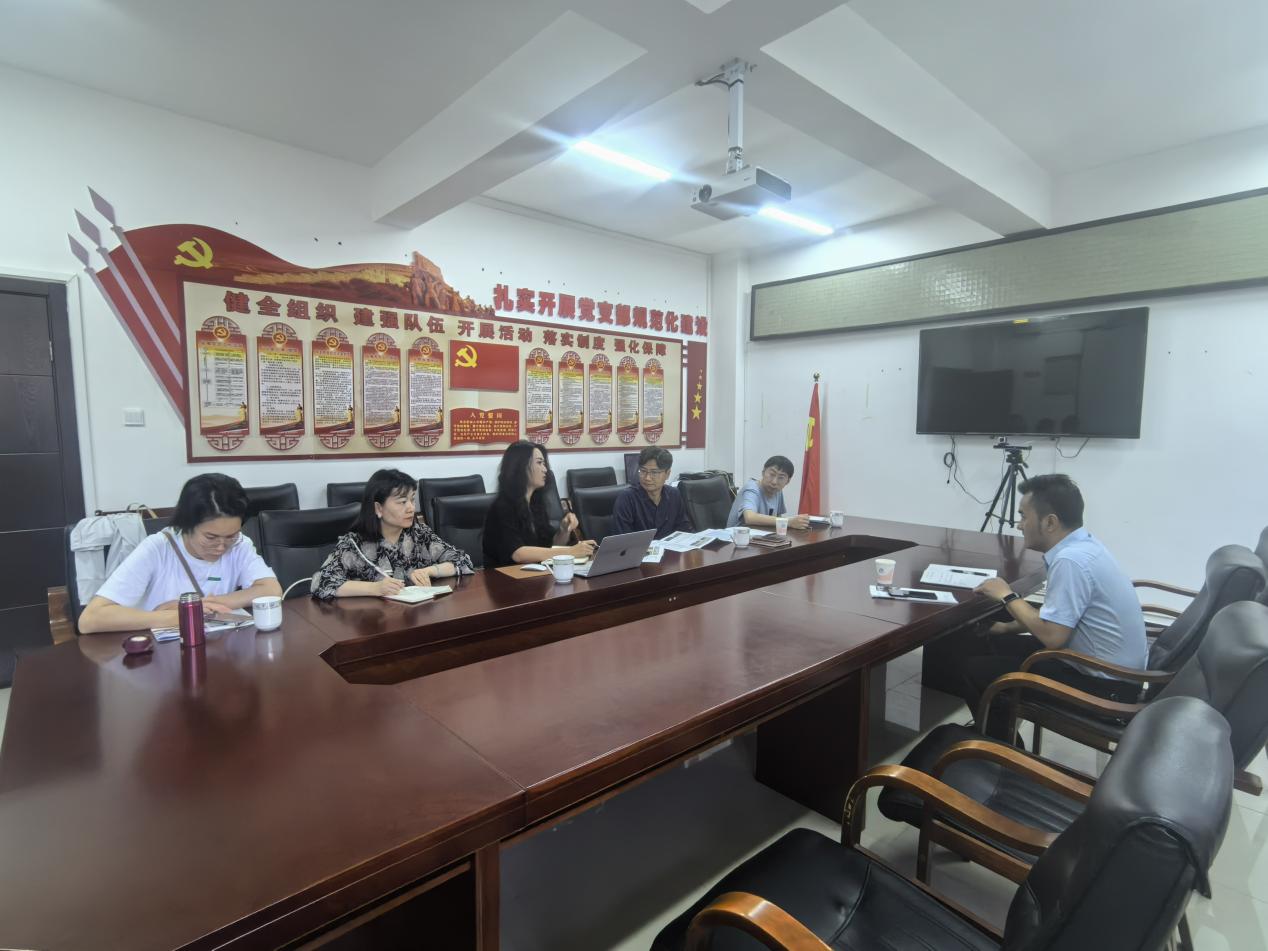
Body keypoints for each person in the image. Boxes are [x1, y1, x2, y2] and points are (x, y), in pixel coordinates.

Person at [959, 473, 1147, 741]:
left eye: (1023, 516)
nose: (1019, 525)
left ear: (1050, 522)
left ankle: (999, 747)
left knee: (977, 670)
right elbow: (1058, 617)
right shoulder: (1085, 545)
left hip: (1105, 687)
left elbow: (1053, 637)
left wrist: (1007, 595)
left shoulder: (1071, 561)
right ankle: (994, 730)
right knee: (992, 644)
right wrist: (1005, 628)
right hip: (1107, 672)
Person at [78, 474, 281, 633]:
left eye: (231, 536)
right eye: (210, 537)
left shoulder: (239, 545)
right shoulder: (157, 549)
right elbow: (90, 619)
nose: (221, 547)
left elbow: (272, 589)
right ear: (186, 525)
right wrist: (180, 615)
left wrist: (200, 606)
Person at [312, 468, 474, 599]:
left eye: (412, 500)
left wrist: (429, 571)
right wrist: (375, 588)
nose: (411, 508)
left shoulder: (419, 534)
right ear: (378, 508)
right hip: (373, 622)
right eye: (402, 502)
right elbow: (320, 583)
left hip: (416, 618)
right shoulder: (354, 544)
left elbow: (462, 561)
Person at [483, 440, 596, 568]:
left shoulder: (535, 505)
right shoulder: (501, 508)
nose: (545, 469)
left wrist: (563, 530)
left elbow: (550, 548)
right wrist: (570, 552)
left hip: (536, 574)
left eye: (544, 463)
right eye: (539, 463)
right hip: (505, 576)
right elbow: (518, 554)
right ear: (521, 467)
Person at [610, 446, 692, 539]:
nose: (647, 478)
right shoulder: (627, 499)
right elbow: (622, 539)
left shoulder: (674, 495)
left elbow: (684, 529)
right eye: (643, 471)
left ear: (667, 474)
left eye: (654, 473)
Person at [726, 455, 810, 530]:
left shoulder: (777, 491)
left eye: (781, 478)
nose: (774, 482)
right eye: (772, 474)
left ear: (787, 481)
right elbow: (750, 517)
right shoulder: (752, 489)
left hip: (763, 537)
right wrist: (788, 522)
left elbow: (778, 518)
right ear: (763, 473)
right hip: (736, 539)